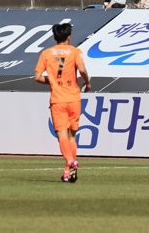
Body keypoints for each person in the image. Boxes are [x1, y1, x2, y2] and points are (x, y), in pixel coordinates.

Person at [34, 23, 91, 183]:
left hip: (57, 99)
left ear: (55, 37)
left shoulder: (46, 53)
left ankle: (70, 162)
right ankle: (68, 170)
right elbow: (82, 70)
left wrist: (52, 82)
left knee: (61, 135)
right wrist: (87, 83)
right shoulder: (75, 51)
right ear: (69, 37)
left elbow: (37, 77)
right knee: (72, 136)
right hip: (73, 97)